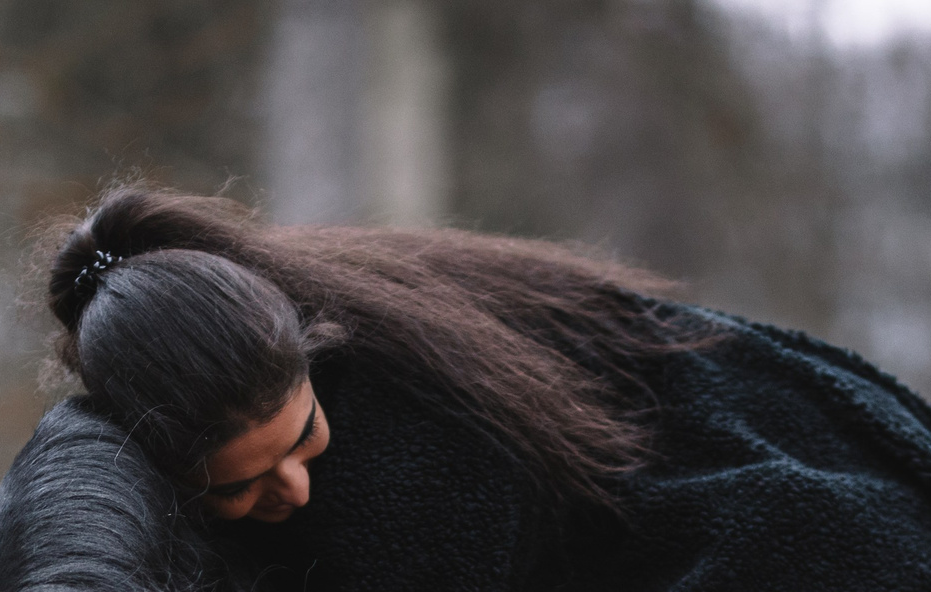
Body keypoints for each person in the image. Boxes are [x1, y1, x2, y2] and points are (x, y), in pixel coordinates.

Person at [43, 185, 710, 520]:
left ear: (314, 348)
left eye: (303, 435)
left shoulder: (411, 391)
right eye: (241, 485)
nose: (296, 490)